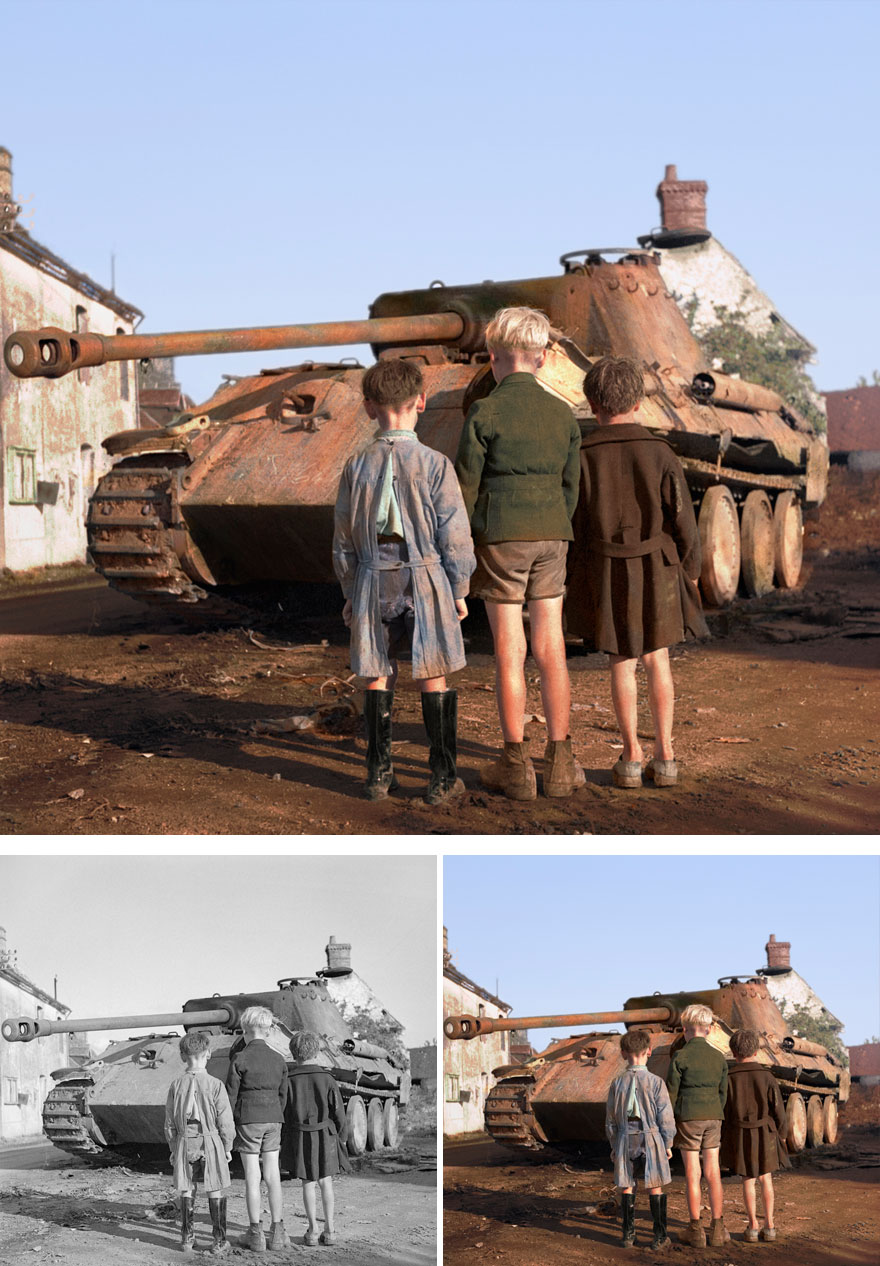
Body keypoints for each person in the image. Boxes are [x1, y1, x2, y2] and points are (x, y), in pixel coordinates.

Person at [455, 306, 584, 800]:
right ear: (545, 358)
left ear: (492, 359)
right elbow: (572, 487)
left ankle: (515, 765)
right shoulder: (562, 414)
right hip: (553, 535)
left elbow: (465, 488)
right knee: (551, 647)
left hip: (500, 538)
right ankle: (561, 763)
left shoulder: (484, 412)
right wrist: (555, 522)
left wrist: (463, 547)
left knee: (511, 651)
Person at [333, 357, 475, 804]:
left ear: (370, 407)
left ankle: (378, 776)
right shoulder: (436, 464)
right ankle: (442, 779)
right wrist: (459, 589)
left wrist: (350, 592)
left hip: (373, 578)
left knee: (376, 671)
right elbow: (455, 536)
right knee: (432, 669)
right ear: (422, 401)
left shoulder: (355, 466)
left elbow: (342, 541)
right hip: (426, 577)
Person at [567, 355, 708, 789]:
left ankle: (630, 757)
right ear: (640, 401)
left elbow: (574, 521)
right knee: (657, 660)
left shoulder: (582, 454)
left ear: (592, 404)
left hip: (607, 568)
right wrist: (692, 570)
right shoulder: (660, 451)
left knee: (621, 663)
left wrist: (575, 578)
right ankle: (666, 757)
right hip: (658, 569)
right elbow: (683, 519)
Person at [164, 1030, 235, 1255]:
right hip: (211, 1140)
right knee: (214, 1187)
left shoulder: (176, 1085)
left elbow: (169, 1123)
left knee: (187, 1188)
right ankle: (219, 1241)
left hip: (185, 1141)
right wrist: (227, 1147)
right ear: (209, 1053)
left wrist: (173, 1148)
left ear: (183, 1056)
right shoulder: (216, 1084)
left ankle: (187, 1238)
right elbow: (226, 1121)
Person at [225, 1006, 290, 1251]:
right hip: (274, 1119)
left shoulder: (240, 1059)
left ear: (244, 1031)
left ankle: (255, 1234)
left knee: (253, 1176)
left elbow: (230, 1095)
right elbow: (284, 1094)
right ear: (268, 1031)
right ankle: (278, 1232)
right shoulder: (279, 1059)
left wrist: (229, 1125)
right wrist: (276, 1113)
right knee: (273, 1175)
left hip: (248, 1120)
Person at [666, 1003, 730, 1247]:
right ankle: (718, 1228)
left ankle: (695, 1230)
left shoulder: (680, 1057)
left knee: (693, 1174)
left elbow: (671, 1093)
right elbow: (724, 1093)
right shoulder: (719, 1057)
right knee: (713, 1172)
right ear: (710, 1029)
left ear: (685, 1029)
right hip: (714, 1117)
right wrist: (715, 1111)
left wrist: (670, 1122)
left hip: (688, 1118)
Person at [605, 1028, 675, 1250]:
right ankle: (659, 1237)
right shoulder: (656, 1082)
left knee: (627, 1185)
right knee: (654, 1184)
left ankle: (628, 1236)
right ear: (649, 1051)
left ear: (624, 1053)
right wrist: (668, 1143)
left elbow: (610, 1121)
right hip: (652, 1138)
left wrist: (615, 1145)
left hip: (626, 1138)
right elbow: (666, 1118)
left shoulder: (616, 1084)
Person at [281, 1030, 350, 1246]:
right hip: (325, 1136)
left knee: (307, 1184)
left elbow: (284, 1112)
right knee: (325, 1183)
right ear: (317, 1051)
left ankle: (312, 1230)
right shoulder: (327, 1078)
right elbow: (338, 1112)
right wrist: (342, 1137)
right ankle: (330, 1230)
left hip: (300, 1136)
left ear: (293, 1053)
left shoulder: (288, 1079)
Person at [720, 1028, 790, 1242]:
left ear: (733, 1051)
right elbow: (778, 1109)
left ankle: (752, 1227)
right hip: (765, 1134)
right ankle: (769, 1227)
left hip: (740, 1134)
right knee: (765, 1179)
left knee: (748, 1180)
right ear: (757, 1050)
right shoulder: (767, 1076)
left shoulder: (729, 1077)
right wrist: (783, 1134)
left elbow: (724, 1111)